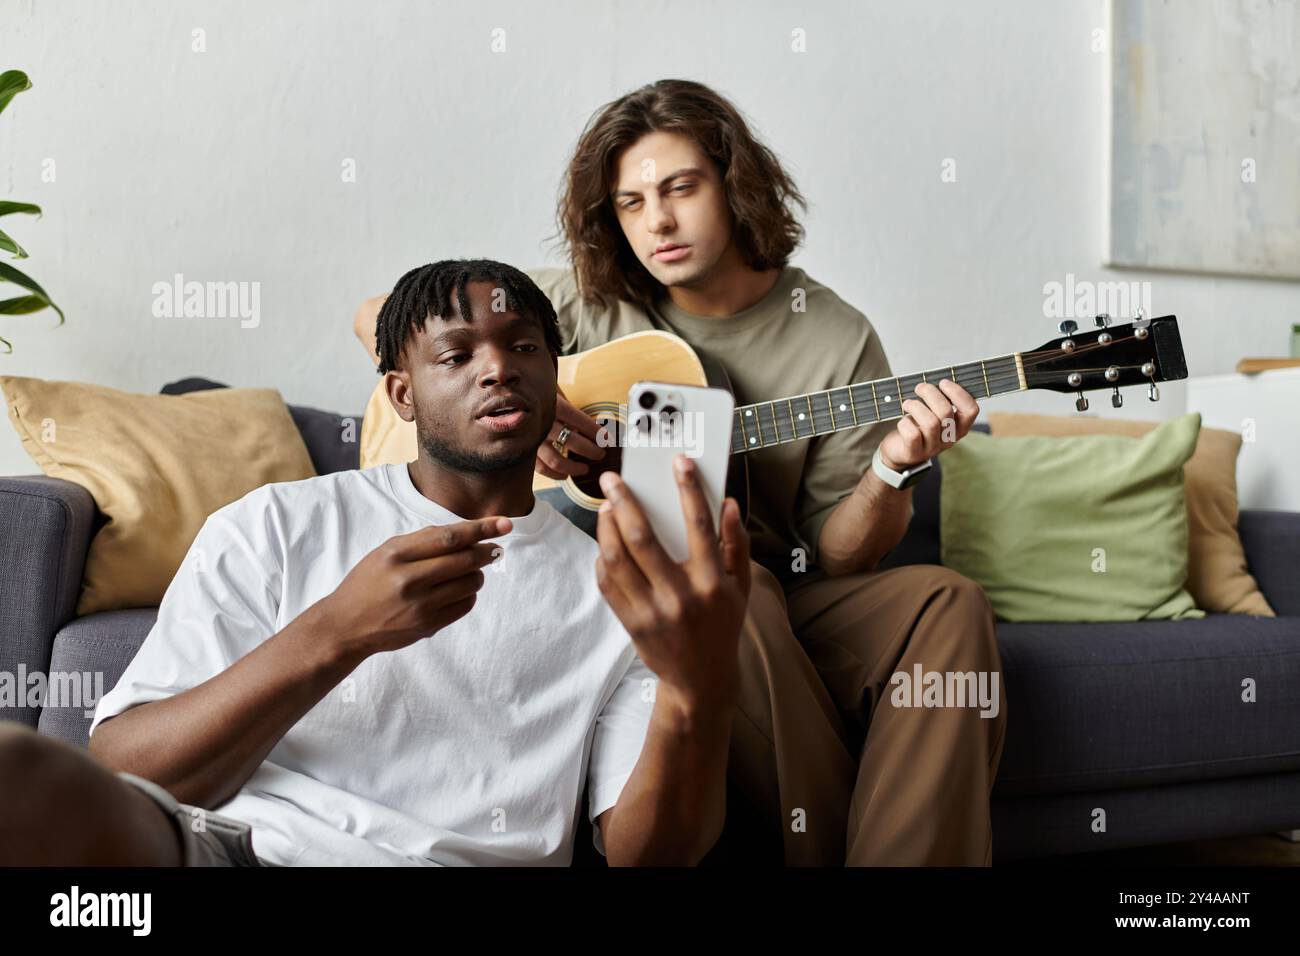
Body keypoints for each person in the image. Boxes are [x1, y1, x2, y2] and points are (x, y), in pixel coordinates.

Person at [354, 80, 1007, 865]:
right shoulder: (587, 304)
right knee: (733, 593)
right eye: (629, 204)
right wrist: (542, 409)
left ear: (736, 187)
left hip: (785, 585)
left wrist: (893, 470)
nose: (655, 222)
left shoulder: (833, 334)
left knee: (947, 599)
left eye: (679, 189)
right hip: (639, 588)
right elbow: (380, 314)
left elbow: (841, 558)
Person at [0, 259, 752, 867]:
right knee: (16, 771)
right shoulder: (275, 522)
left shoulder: (618, 590)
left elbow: (649, 855)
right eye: (456, 355)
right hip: (232, 851)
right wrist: (337, 632)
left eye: (522, 346)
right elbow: (126, 766)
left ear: (554, 379)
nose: (496, 367)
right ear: (402, 395)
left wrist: (698, 685)